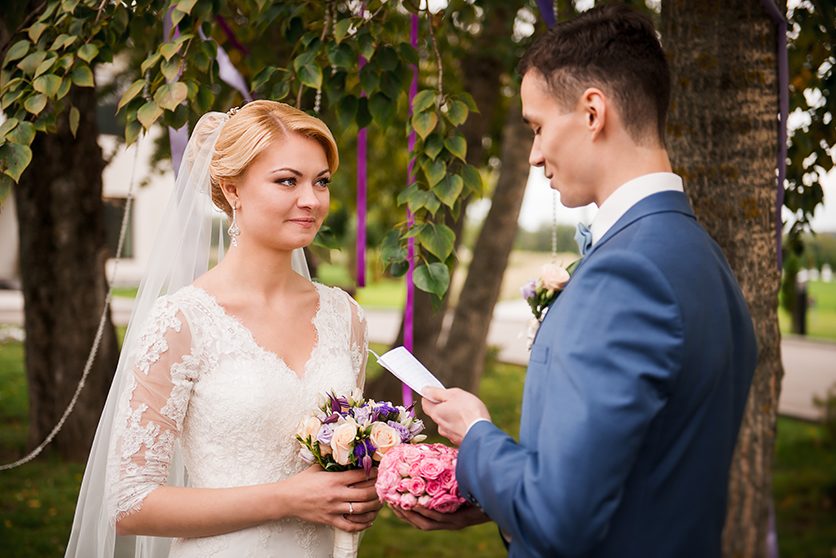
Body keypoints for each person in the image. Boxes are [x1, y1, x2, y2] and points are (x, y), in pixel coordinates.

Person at [399, 4, 758, 557]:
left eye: (538, 127)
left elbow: (560, 517)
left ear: (593, 113)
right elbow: (638, 481)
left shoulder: (627, 274)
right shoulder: (703, 257)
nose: (535, 154)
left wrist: (476, 436)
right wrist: (498, 495)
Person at [65, 101, 382, 558]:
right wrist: (287, 498)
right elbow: (129, 502)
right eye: (287, 180)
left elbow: (342, 464)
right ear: (232, 190)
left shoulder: (344, 316)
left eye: (321, 181)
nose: (311, 200)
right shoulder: (184, 321)